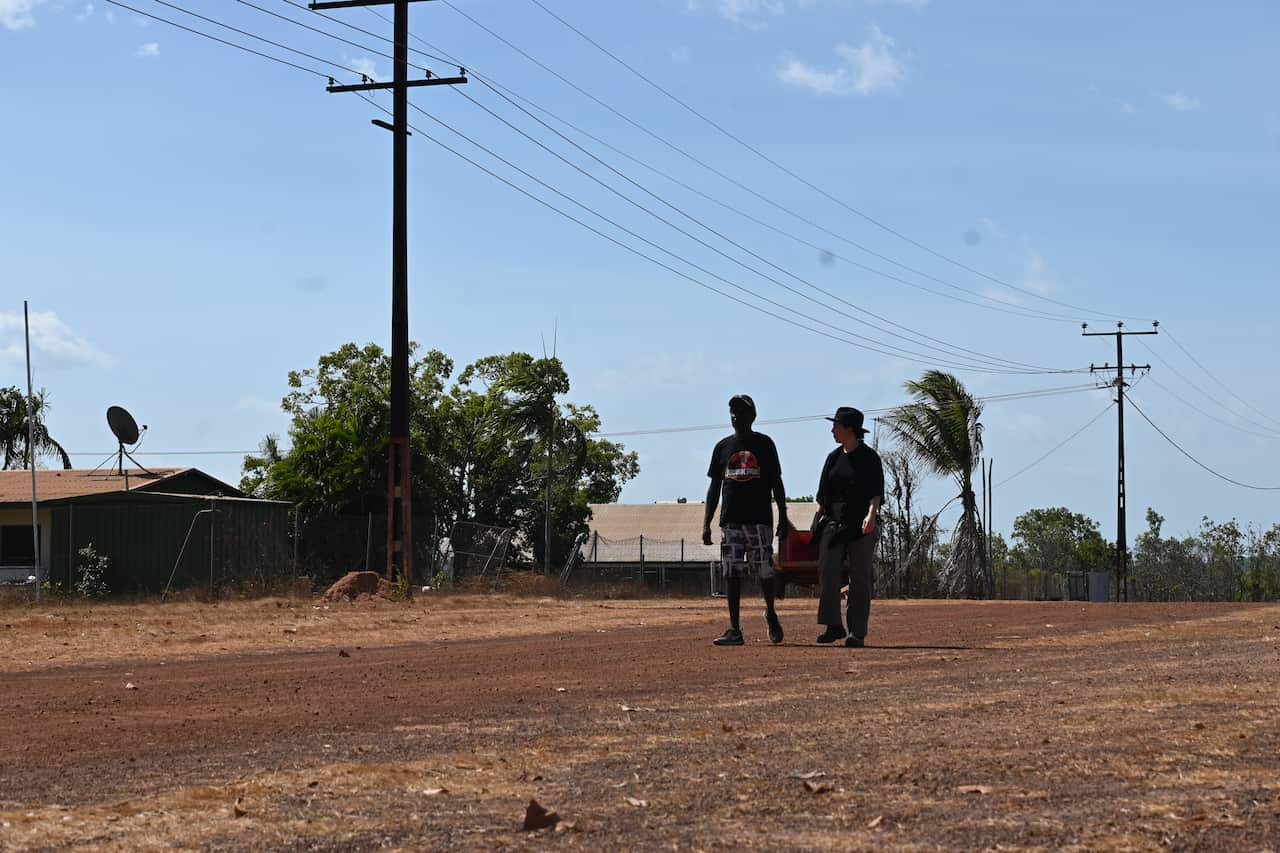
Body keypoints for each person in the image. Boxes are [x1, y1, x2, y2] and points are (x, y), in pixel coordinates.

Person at [702, 394, 792, 646]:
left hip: (759, 520)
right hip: (730, 521)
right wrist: (706, 522)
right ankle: (734, 628)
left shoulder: (764, 444)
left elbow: (777, 483)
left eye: (740, 411)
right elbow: (714, 488)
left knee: (764, 571)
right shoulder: (722, 447)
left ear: (752, 416)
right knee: (731, 572)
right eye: (732, 411)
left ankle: (771, 612)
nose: (735, 416)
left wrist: (783, 517)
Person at [813, 407, 884, 648]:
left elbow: (876, 493)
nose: (832, 430)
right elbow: (823, 495)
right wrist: (816, 520)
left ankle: (857, 632)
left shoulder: (869, 458)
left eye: (837, 426)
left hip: (860, 524)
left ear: (850, 430)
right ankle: (833, 625)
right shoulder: (833, 458)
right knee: (827, 569)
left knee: (859, 577)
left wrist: (871, 516)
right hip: (834, 523)